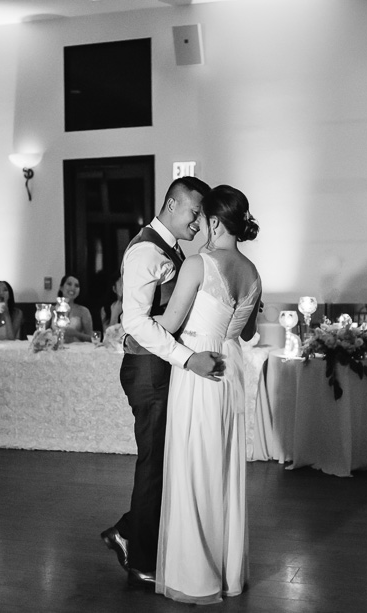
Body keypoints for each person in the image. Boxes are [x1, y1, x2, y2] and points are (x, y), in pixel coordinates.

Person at [100, 176, 225, 589]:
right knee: (153, 465)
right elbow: (134, 322)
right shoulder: (145, 250)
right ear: (172, 205)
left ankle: (128, 531)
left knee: (166, 461)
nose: (197, 222)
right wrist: (189, 359)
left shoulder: (169, 247)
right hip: (148, 369)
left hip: (161, 365)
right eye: (194, 212)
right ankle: (138, 559)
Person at [153, 184, 261, 604]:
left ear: (215, 221)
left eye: (203, 218)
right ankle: (227, 572)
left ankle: (197, 575)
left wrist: (133, 317)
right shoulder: (252, 273)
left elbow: (170, 322)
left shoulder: (198, 265)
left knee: (193, 468)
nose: (199, 225)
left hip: (199, 371)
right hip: (231, 372)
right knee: (224, 470)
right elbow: (248, 332)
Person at [52, 274, 94, 343]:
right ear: (61, 288)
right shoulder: (52, 310)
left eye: (76, 286)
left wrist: (76, 334)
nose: (73, 288)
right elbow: (42, 333)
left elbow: (91, 338)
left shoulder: (83, 311)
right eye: (69, 284)